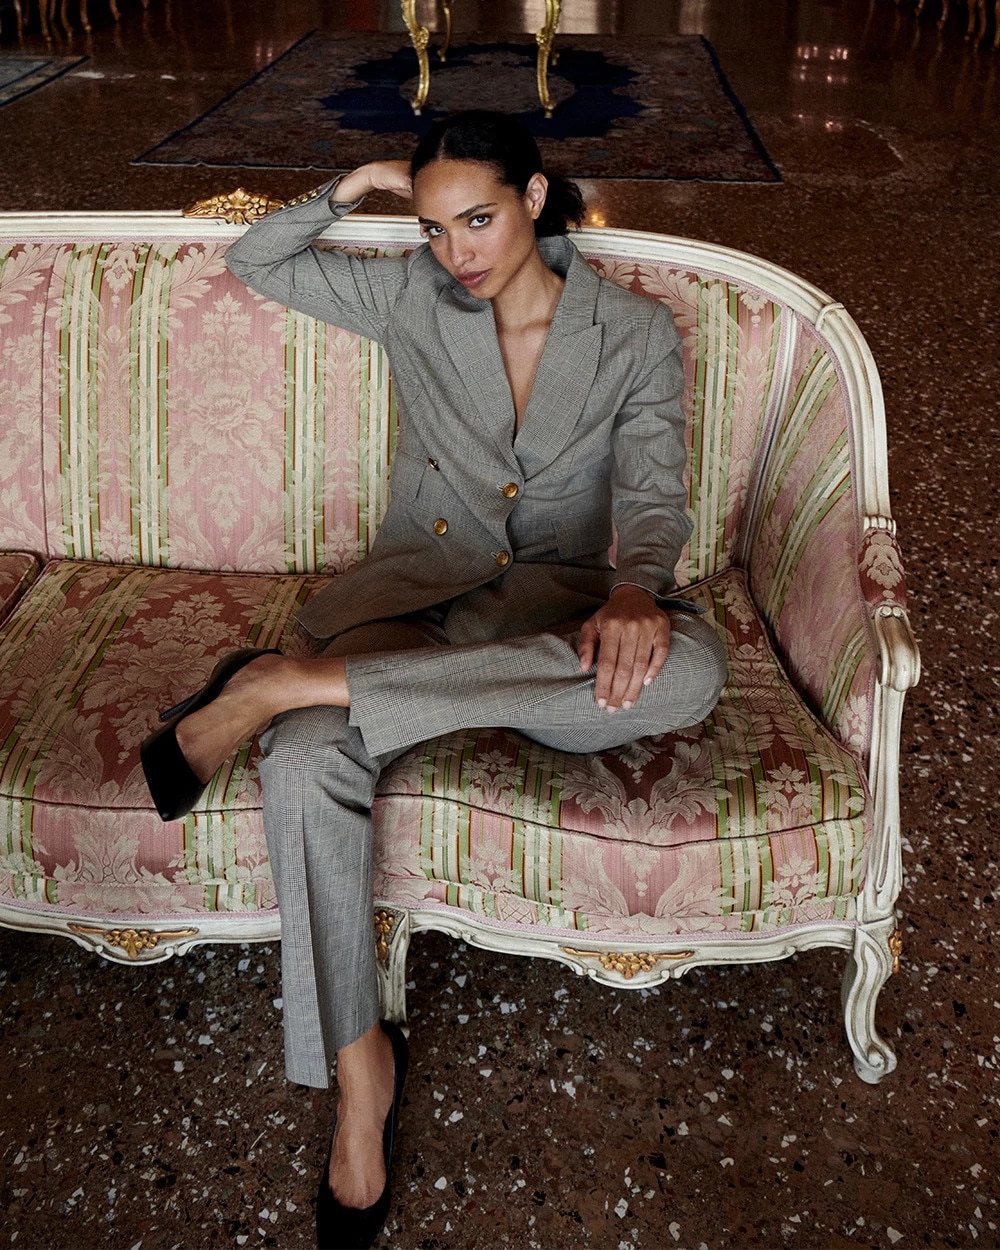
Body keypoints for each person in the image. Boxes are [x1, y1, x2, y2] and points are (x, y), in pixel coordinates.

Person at [140, 110, 727, 1250]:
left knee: (686, 675)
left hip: (551, 623)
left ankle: (285, 683)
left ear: (535, 198)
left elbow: (655, 495)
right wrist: (359, 182)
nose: (459, 250)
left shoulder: (632, 331)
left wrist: (636, 589)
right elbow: (256, 258)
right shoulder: (412, 296)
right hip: (413, 599)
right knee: (305, 765)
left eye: (480, 218)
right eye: (435, 226)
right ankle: (360, 1074)